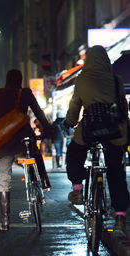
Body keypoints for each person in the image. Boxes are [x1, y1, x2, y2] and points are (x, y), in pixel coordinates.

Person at [64, 45, 130, 236]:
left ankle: (77, 189)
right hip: (114, 131)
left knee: (74, 152)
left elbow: (74, 106)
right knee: (116, 172)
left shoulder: (81, 79)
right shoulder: (116, 80)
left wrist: (70, 122)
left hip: (90, 129)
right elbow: (123, 110)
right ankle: (119, 218)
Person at [0, 69, 53, 231]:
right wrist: (48, 128)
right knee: (35, 154)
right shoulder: (25, 93)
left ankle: (5, 221)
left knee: (4, 178)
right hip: (23, 137)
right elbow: (38, 112)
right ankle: (44, 182)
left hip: (4, 140)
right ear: (20, 80)